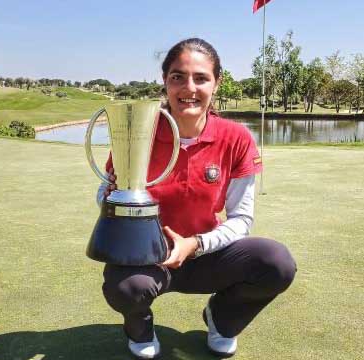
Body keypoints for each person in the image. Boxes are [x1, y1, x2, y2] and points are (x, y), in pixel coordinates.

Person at [96, 38, 296, 359]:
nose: (189, 87)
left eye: (201, 78)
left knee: (276, 263)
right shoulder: (138, 133)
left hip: (208, 253)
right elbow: (108, 194)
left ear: (216, 83)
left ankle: (222, 318)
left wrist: (196, 245)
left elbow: (241, 219)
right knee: (125, 288)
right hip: (147, 257)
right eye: (178, 76)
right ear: (165, 82)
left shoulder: (237, 138)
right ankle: (140, 327)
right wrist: (107, 198)